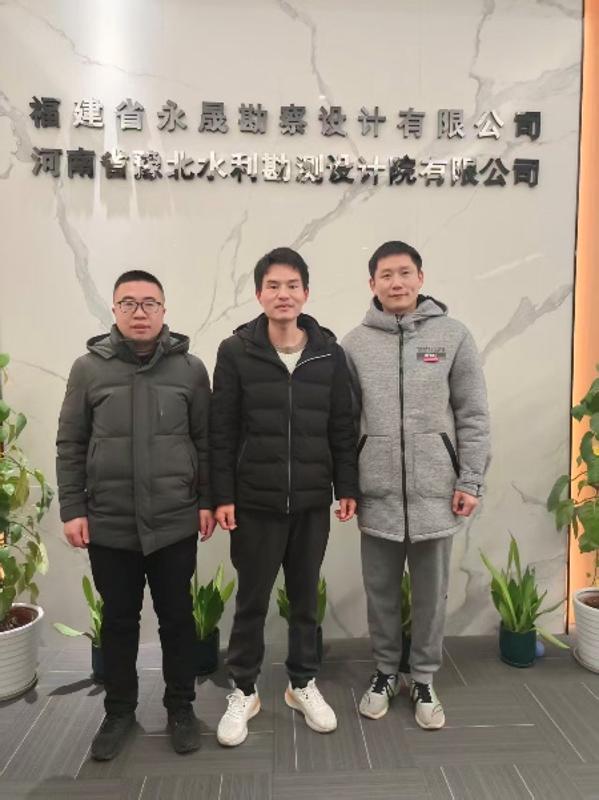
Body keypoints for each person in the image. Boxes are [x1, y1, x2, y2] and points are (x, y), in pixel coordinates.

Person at [56, 269, 214, 760]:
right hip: (110, 521)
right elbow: (70, 443)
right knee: (120, 621)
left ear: (164, 311)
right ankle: (119, 711)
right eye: (129, 303)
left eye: (149, 303)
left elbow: (206, 442)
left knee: (177, 619)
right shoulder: (88, 369)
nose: (139, 312)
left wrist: (206, 501)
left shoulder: (190, 369)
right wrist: (72, 508)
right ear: (114, 311)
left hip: (173, 520)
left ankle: (181, 707)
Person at [211, 247, 358, 746]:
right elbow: (222, 431)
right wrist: (223, 495)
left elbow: (342, 426)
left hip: (312, 502)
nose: (283, 294)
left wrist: (347, 486)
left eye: (292, 285)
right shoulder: (236, 352)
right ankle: (244, 690)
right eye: (273, 286)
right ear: (259, 294)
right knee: (251, 600)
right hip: (255, 502)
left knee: (304, 599)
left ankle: (302, 684)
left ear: (306, 293)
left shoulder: (328, 353)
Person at [342, 241, 490, 730]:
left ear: (421, 278)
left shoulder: (453, 336)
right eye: (386, 275)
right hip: (377, 494)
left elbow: (472, 414)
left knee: (432, 595)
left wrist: (471, 479)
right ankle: (386, 671)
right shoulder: (354, 344)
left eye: (405, 272)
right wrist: (348, 485)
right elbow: (344, 423)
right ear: (372, 284)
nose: (397, 282)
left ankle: (423, 677)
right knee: (380, 593)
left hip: (437, 494)